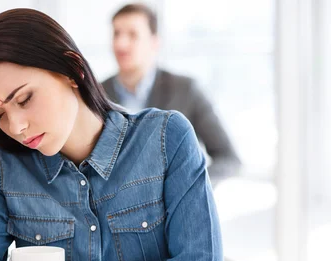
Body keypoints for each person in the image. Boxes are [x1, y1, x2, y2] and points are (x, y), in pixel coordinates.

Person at [0, 8, 223, 261]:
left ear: (72, 70)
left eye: (25, 99)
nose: (16, 127)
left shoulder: (166, 139)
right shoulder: (3, 170)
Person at [101, 4, 241, 184]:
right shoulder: (95, 94)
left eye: (132, 35)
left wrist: (190, 187)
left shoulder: (186, 90)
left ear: (154, 42)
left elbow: (228, 158)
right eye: (116, 34)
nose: (121, 43)